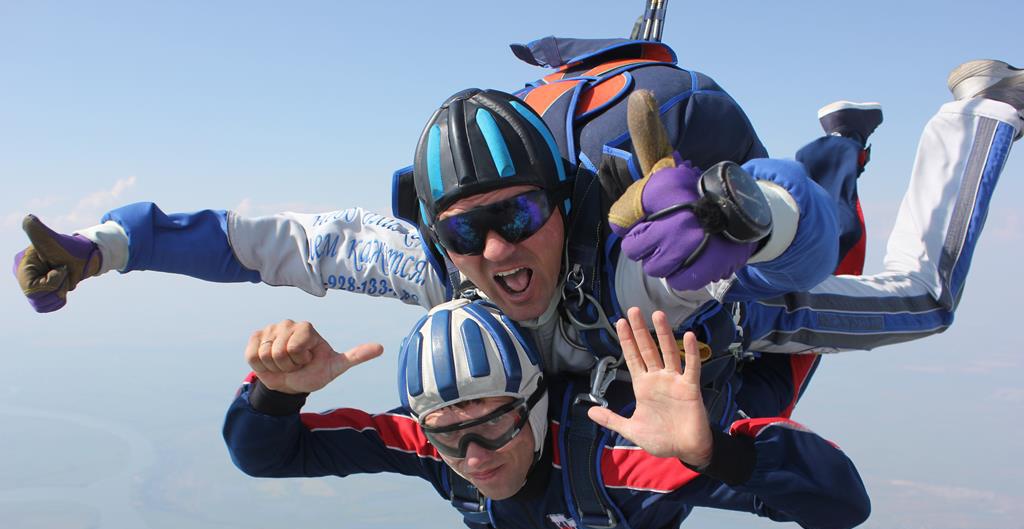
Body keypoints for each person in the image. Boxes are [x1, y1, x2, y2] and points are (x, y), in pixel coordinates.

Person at [13, 50, 1022, 420]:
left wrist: (743, 213)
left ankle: (982, 111)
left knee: (917, 299)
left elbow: (789, 243)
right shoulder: (426, 261)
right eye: (467, 230)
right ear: (435, 231)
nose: (495, 252)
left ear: (564, 204)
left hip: (725, 314)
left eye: (519, 216)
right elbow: (256, 242)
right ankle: (842, 141)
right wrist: (105, 247)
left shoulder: (636, 261)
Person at [225, 299, 870, 529]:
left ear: (535, 403)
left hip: (719, 394)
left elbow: (842, 507)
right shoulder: (432, 444)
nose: (473, 457)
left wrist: (713, 451)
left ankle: (843, 148)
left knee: (806, 292)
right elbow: (268, 456)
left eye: (493, 424)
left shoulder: (628, 459)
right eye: (447, 433)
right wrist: (276, 394)